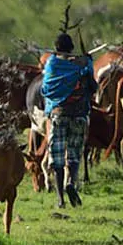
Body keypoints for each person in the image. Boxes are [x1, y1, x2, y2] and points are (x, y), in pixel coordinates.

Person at [40, 33, 95, 207]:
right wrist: (89, 63)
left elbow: (46, 89)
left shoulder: (52, 64)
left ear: (56, 48)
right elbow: (93, 87)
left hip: (58, 114)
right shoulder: (82, 65)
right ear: (72, 48)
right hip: (78, 116)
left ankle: (60, 199)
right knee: (74, 155)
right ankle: (71, 183)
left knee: (56, 156)